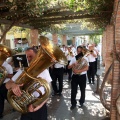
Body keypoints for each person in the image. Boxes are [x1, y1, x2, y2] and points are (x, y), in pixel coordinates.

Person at [6, 47, 52, 120]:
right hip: (25, 107)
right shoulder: (23, 71)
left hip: (39, 107)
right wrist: (13, 85)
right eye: (26, 57)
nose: (28, 59)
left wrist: (38, 106)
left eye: (31, 56)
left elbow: (48, 92)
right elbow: (7, 84)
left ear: (37, 57)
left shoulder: (44, 71)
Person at [68, 46, 89, 110]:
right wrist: (73, 64)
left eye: (80, 51)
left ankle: (81, 102)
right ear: (76, 51)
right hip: (75, 76)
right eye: (78, 51)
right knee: (73, 91)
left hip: (82, 76)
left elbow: (87, 68)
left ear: (82, 51)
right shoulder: (74, 58)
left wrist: (78, 71)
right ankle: (73, 103)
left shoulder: (85, 58)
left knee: (82, 90)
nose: (79, 52)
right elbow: (68, 67)